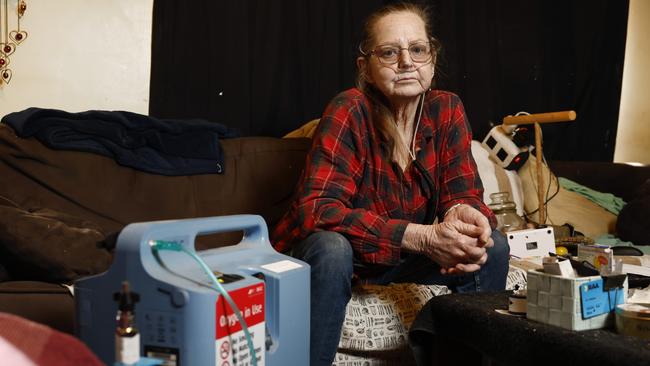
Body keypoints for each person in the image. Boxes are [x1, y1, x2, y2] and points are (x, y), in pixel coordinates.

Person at [272, 3, 509, 365]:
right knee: (332, 248)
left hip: (397, 258)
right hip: (338, 259)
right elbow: (316, 210)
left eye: (417, 49)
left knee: (493, 246)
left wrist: (465, 215)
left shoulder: (447, 109)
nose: (406, 62)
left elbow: (463, 192)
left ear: (432, 58)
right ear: (365, 68)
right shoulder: (350, 109)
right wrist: (425, 237)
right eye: (388, 52)